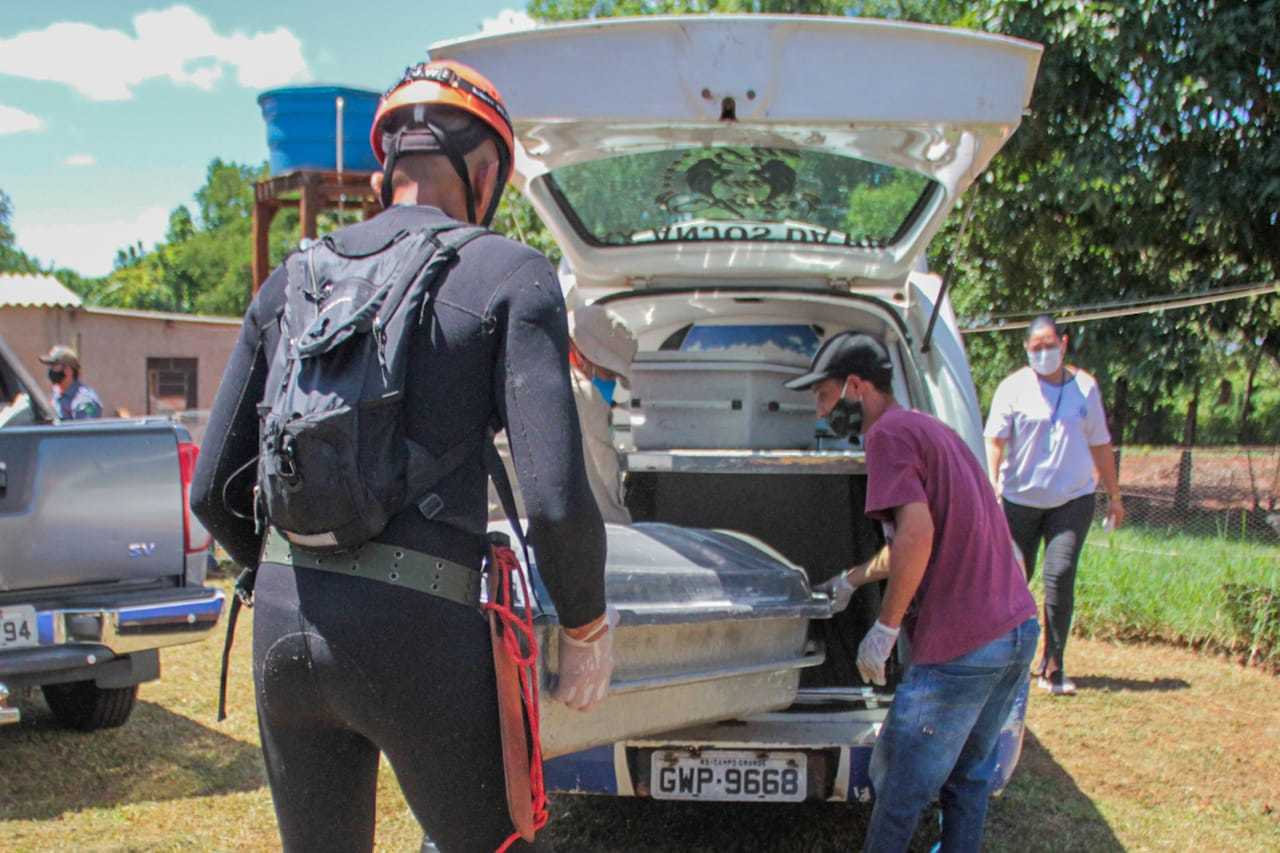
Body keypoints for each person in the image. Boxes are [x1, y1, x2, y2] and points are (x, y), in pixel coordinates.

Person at [191, 60, 613, 852]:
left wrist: (295, 569)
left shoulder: (292, 279)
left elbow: (213, 490)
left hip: (284, 624)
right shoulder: (512, 274)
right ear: (486, 174)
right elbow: (557, 499)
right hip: (422, 631)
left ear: (387, 166)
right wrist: (587, 626)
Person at [786, 332, 1037, 853]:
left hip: (963, 647)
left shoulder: (887, 436)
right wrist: (852, 580)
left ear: (856, 388)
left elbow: (917, 533)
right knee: (967, 778)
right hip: (1014, 631)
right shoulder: (931, 430)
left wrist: (886, 625)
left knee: (900, 786)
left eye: (824, 396)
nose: (819, 410)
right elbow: (915, 538)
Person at [985, 315, 1124, 696]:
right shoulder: (1013, 387)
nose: (1043, 352)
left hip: (1073, 499)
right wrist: (992, 486)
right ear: (1027, 350)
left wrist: (1114, 495)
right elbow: (994, 440)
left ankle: (1053, 664)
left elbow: (1100, 444)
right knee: (1012, 581)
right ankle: (1001, 661)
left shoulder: (1085, 388)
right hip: (1018, 500)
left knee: (1060, 575)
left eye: (1049, 345)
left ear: (1063, 344)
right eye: (1035, 347)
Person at [566, 295, 637, 525]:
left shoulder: (525, 369)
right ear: (581, 355)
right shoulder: (584, 395)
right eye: (608, 374)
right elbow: (605, 491)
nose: (611, 385)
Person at [38, 345, 102, 421]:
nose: (50, 370)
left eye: (54, 366)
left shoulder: (84, 400)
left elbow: (85, 431)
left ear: (68, 370)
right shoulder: (57, 394)